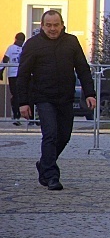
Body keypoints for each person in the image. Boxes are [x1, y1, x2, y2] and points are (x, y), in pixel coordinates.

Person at [16, 10, 96, 190]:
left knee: (64, 136)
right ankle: (52, 176)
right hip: (43, 98)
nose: (52, 29)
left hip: (65, 98)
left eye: (56, 25)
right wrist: (23, 103)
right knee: (50, 134)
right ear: (42, 26)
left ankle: (44, 163)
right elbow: (23, 75)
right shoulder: (33, 44)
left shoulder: (71, 42)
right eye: (48, 25)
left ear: (62, 25)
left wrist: (90, 93)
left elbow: (83, 69)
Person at [1, 32, 26, 126]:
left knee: (15, 95)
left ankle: (16, 115)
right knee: (18, 95)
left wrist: (1, 70)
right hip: (21, 75)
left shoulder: (11, 48)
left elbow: (5, 59)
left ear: (15, 39)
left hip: (12, 75)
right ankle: (17, 115)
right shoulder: (24, 48)